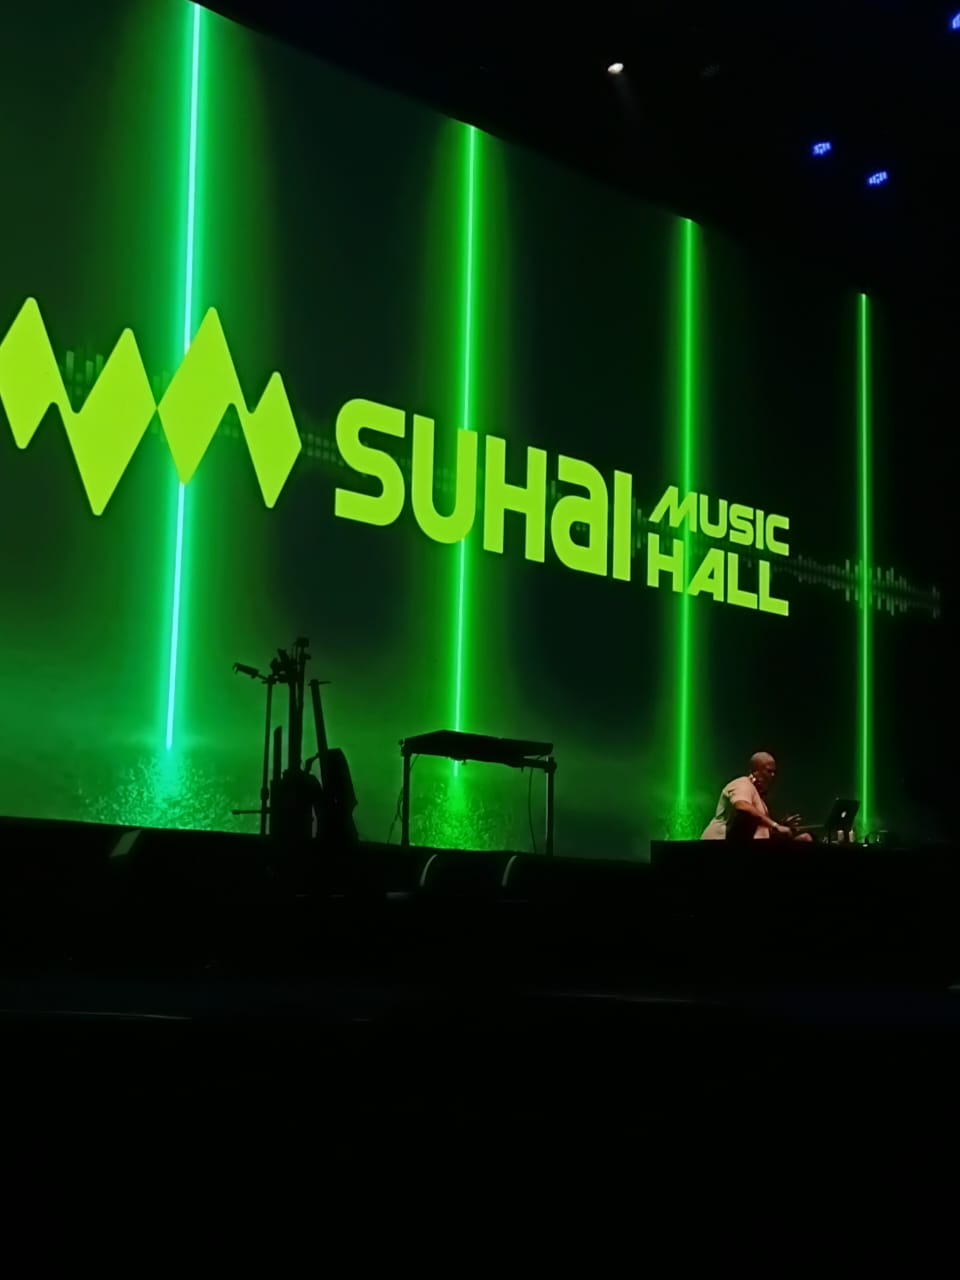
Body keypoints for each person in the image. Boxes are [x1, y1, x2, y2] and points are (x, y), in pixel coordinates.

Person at [701, 751, 813, 842]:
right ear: (755, 770)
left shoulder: (758, 797)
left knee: (805, 839)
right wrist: (775, 826)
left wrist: (781, 826)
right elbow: (742, 806)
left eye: (774, 772)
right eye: (769, 771)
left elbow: (758, 830)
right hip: (718, 846)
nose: (773, 775)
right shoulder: (743, 783)